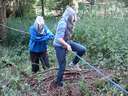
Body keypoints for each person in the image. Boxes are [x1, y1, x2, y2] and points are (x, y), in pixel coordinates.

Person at [53, 6, 86, 87]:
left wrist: (68, 44)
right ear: (69, 15)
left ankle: (73, 63)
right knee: (62, 66)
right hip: (59, 46)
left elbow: (67, 34)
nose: (74, 18)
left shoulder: (69, 21)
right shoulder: (62, 23)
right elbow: (58, 38)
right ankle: (58, 83)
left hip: (66, 42)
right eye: (73, 16)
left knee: (82, 49)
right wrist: (67, 45)